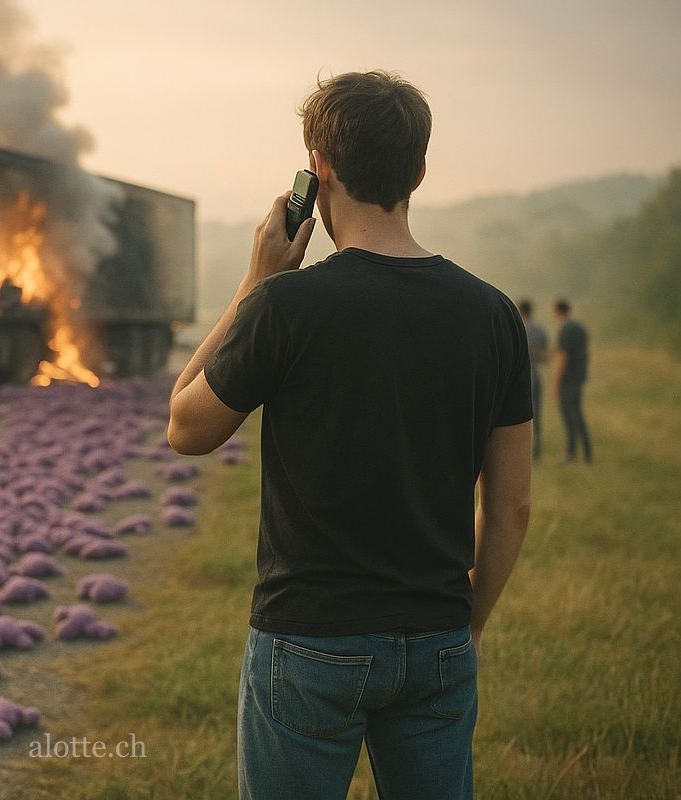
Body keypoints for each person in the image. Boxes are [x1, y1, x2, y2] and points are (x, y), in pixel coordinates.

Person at [167, 71, 532, 800]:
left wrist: (253, 281)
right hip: (437, 637)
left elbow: (185, 427)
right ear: (419, 171)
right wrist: (469, 626)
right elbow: (513, 506)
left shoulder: (285, 306)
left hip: (309, 638)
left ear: (320, 167)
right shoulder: (494, 316)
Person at [551, 298, 592, 463]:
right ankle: (587, 451)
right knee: (578, 413)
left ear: (558, 311)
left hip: (568, 378)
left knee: (569, 415)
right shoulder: (581, 328)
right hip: (579, 376)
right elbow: (586, 354)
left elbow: (562, 357)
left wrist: (555, 383)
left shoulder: (565, 330)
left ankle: (571, 452)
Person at [517, 299, 549, 459]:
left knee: (519, 414)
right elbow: (545, 357)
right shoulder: (539, 329)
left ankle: (522, 451)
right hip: (535, 372)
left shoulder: (517, 327)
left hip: (521, 374)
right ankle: (536, 450)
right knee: (537, 412)